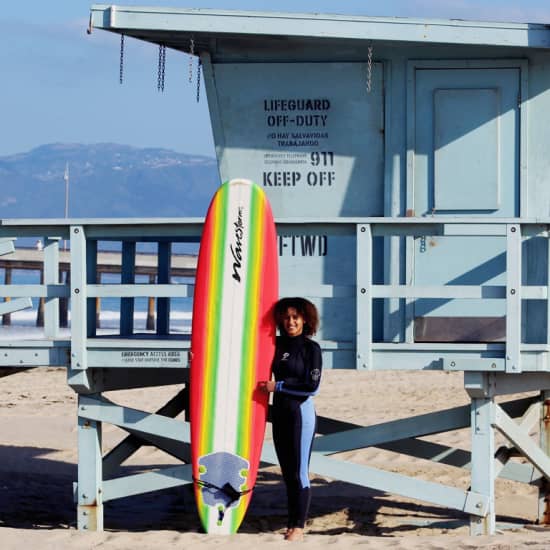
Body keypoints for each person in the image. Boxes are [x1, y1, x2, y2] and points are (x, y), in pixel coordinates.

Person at [259, 297, 322, 542]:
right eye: (286, 317)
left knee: (299, 473)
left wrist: (279, 386)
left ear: (305, 319)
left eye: (295, 317)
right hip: (281, 413)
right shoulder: (276, 344)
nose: (290, 321)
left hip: (300, 415)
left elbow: (312, 386)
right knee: (287, 473)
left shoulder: (310, 348)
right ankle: (291, 521)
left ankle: (299, 526)